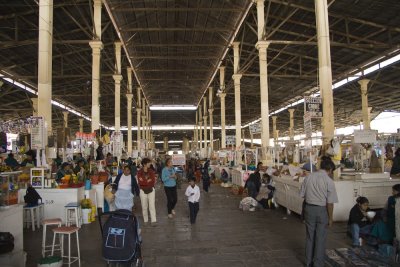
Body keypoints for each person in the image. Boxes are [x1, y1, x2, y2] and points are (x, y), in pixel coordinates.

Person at [300, 156, 338, 267]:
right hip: (322, 211)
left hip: (308, 209)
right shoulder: (329, 181)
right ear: (330, 170)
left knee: (310, 237)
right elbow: (330, 203)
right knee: (320, 238)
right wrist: (330, 218)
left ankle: (308, 262)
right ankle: (318, 264)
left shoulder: (308, 178)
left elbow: (302, 195)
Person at [137, 158, 157, 225]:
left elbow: (153, 180)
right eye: (149, 163)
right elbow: (140, 182)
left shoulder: (151, 171)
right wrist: (147, 181)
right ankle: (145, 220)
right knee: (144, 206)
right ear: (145, 164)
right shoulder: (139, 172)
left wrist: (145, 181)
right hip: (142, 190)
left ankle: (153, 220)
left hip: (151, 190)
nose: (150, 164)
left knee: (152, 205)